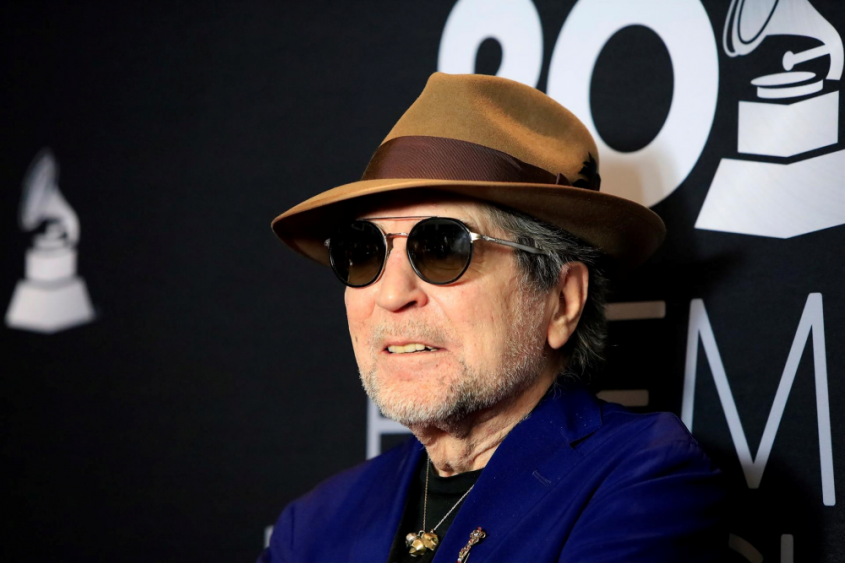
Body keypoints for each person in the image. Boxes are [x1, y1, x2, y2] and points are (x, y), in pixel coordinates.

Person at [259, 72, 727, 563]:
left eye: (443, 248)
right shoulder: (312, 525)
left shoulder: (645, 478)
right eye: (364, 251)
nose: (392, 294)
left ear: (562, 301)